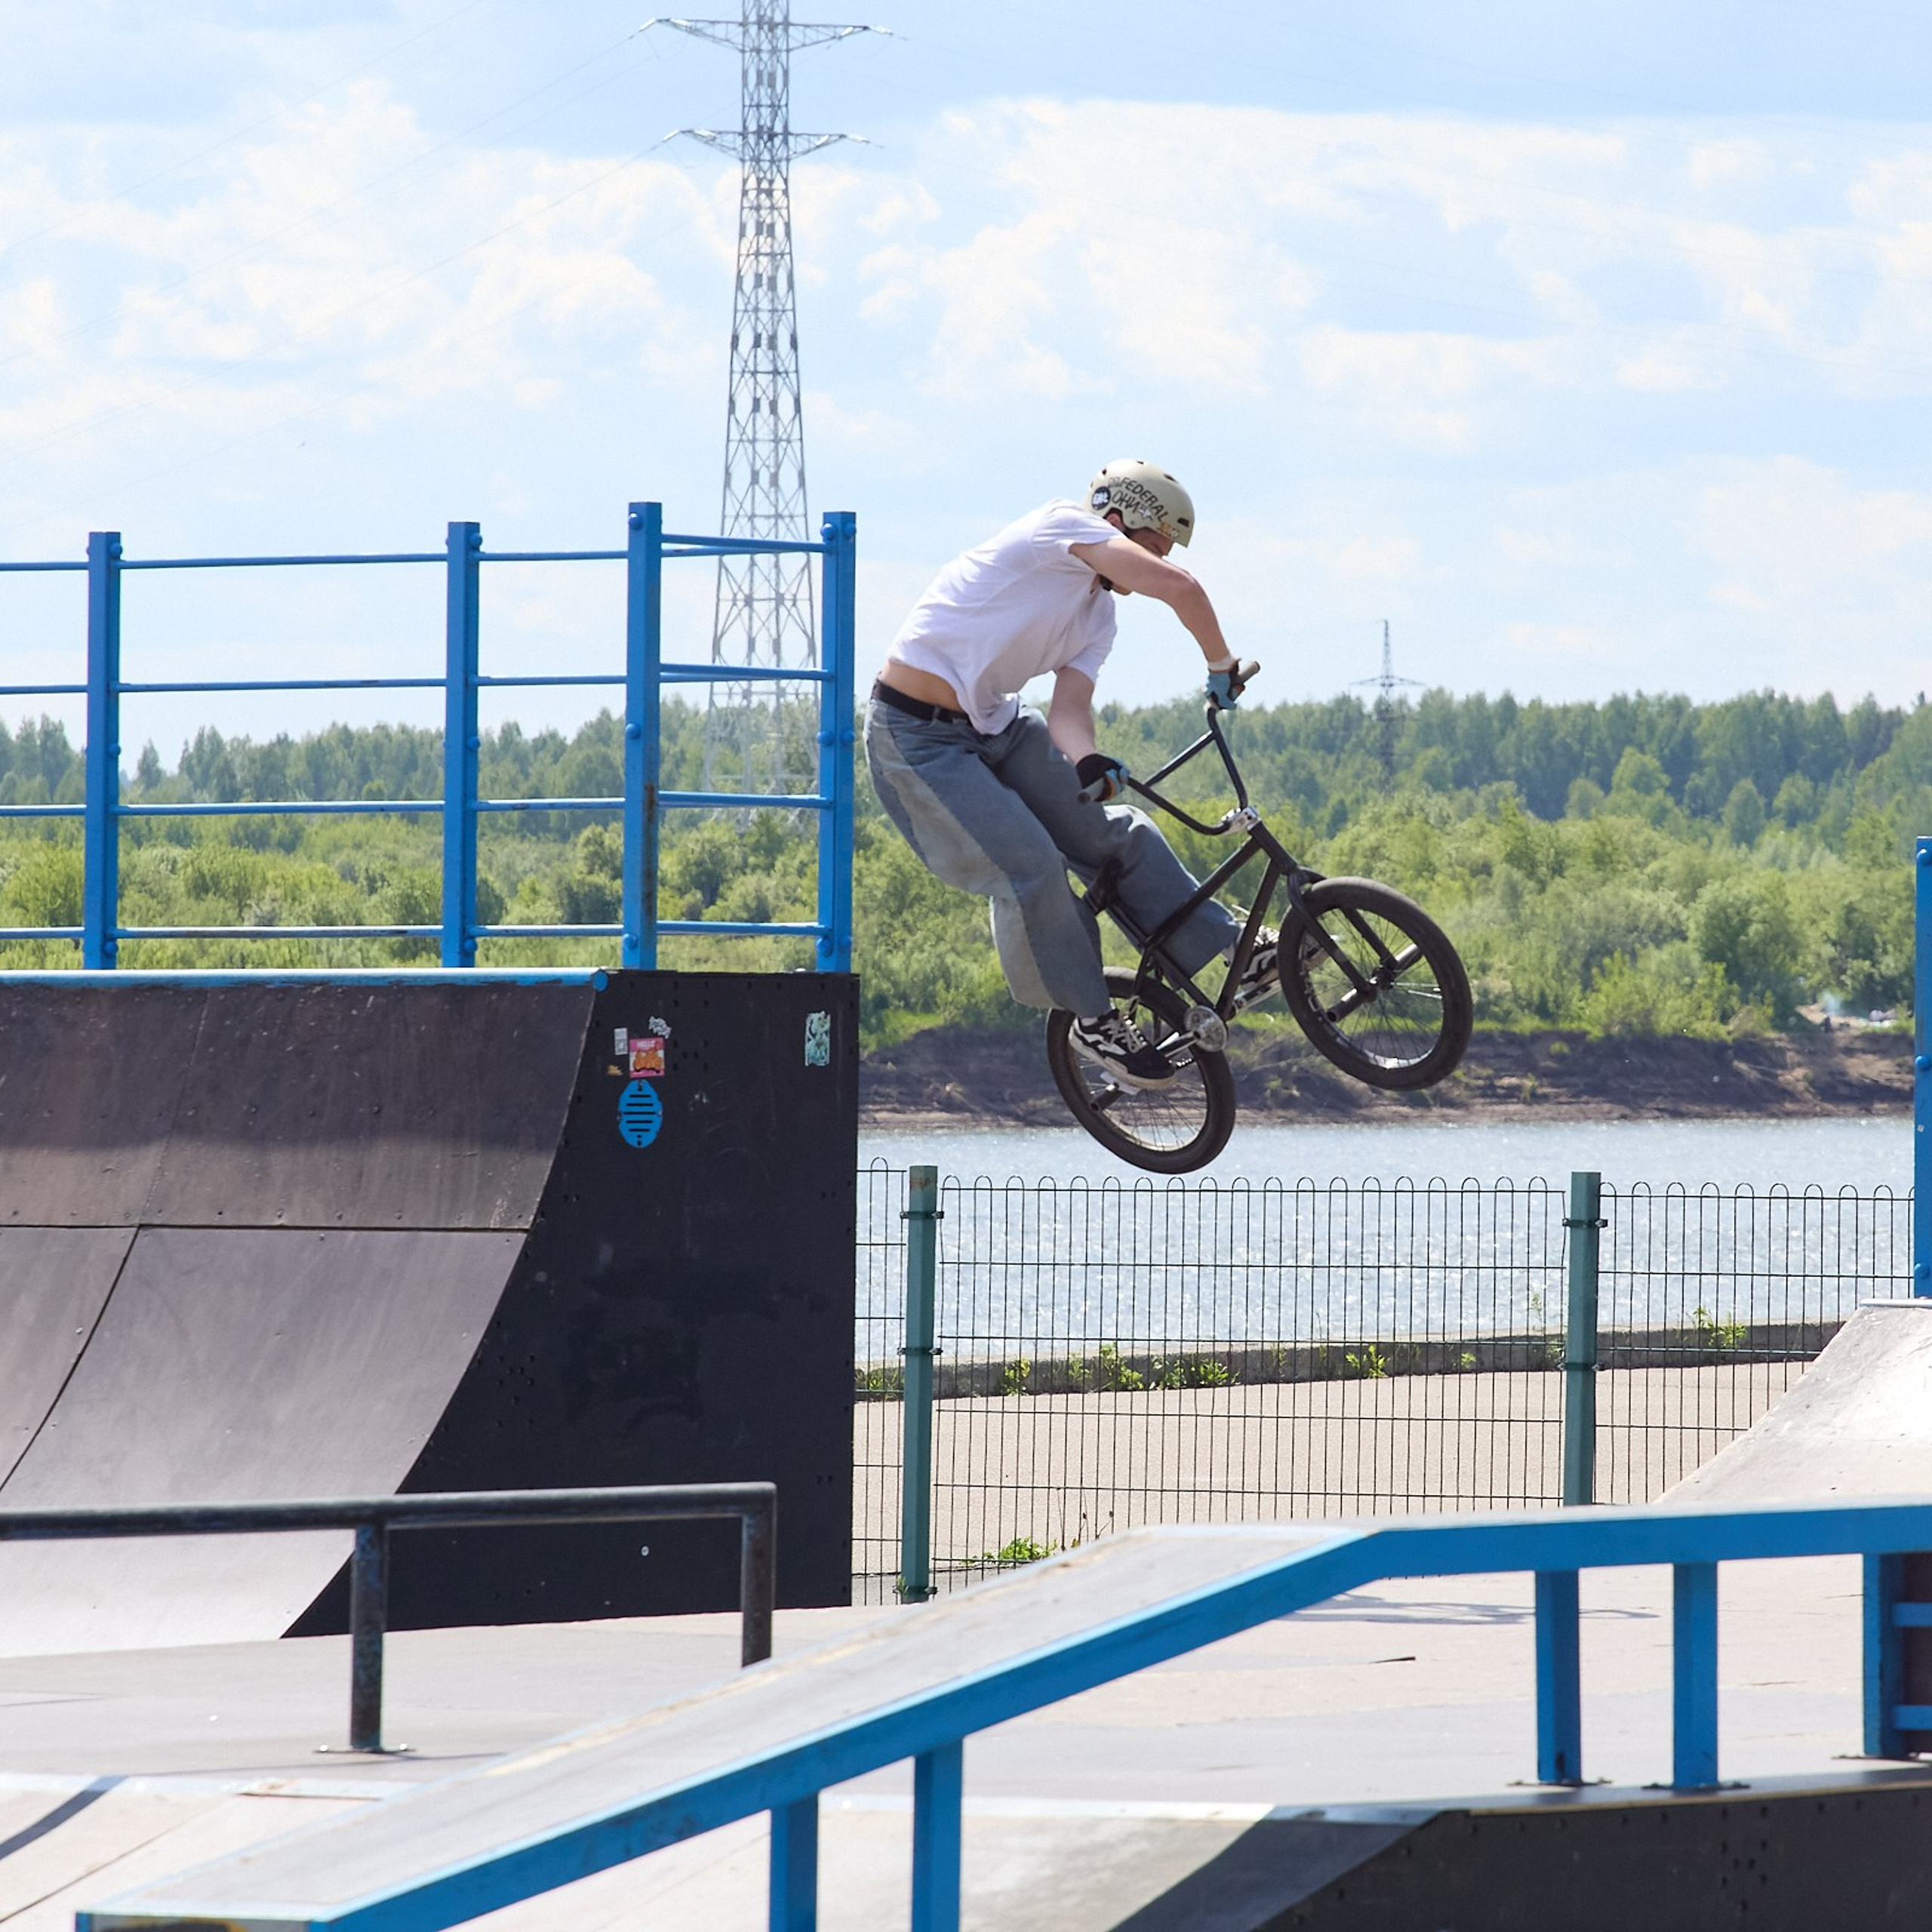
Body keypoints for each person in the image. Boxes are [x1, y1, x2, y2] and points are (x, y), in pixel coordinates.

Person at [864, 460, 1276, 1090]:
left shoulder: (1098, 618)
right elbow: (1182, 589)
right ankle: (1092, 1019)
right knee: (1031, 864)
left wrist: (1086, 760)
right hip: (914, 738)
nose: (1157, 561)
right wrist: (1221, 663)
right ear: (1120, 518)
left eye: (1165, 551)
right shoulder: (1059, 526)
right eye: (1154, 543)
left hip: (997, 725)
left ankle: (1233, 954)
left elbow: (1069, 714)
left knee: (1116, 833)